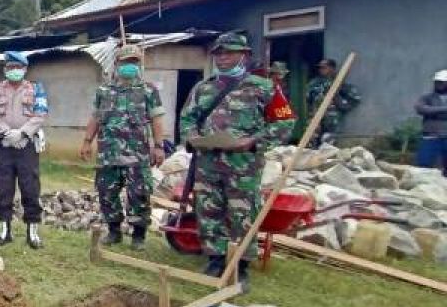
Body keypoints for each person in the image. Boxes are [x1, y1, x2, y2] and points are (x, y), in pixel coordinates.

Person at [179, 32, 296, 289]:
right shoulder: (203, 88)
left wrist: (253, 141)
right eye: (218, 54)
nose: (222, 58)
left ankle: (240, 265)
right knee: (208, 211)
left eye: (228, 53)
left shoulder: (263, 87)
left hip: (243, 165)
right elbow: (187, 119)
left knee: (242, 213)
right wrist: (193, 137)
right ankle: (215, 258)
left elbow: (285, 122)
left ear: (244, 55)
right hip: (208, 162)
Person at [80, 45, 167, 251]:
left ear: (139, 64)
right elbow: (95, 117)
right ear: (116, 64)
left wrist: (159, 146)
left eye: (134, 62)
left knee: (139, 194)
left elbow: (156, 120)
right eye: (126, 62)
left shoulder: (148, 90)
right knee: (106, 193)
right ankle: (114, 231)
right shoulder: (104, 91)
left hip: (137, 155)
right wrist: (86, 141)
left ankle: (138, 235)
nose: (130, 66)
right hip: (108, 154)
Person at [0, 51, 49, 248]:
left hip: (26, 145)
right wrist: (6, 134)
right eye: (10, 67)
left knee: (30, 187)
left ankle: (32, 232)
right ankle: (5, 230)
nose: (14, 71)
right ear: (5, 69)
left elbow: (40, 114)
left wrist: (22, 134)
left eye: (17, 67)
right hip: (4, 145)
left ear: (25, 69)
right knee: (3, 188)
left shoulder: (37, 89)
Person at [306, 58, 360, 146]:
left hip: (332, 120)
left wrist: (338, 100)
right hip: (316, 118)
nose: (321, 70)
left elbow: (354, 99)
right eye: (320, 68)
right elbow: (308, 99)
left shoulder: (340, 84)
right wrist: (312, 114)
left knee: (329, 144)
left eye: (324, 67)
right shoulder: (314, 83)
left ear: (332, 69)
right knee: (312, 143)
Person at [414, 71, 447, 174]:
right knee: (423, 165)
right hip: (430, 136)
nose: (438, 84)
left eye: (441, 82)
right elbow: (421, 109)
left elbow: (429, 110)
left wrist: (433, 111)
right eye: (437, 82)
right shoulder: (427, 97)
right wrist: (444, 109)